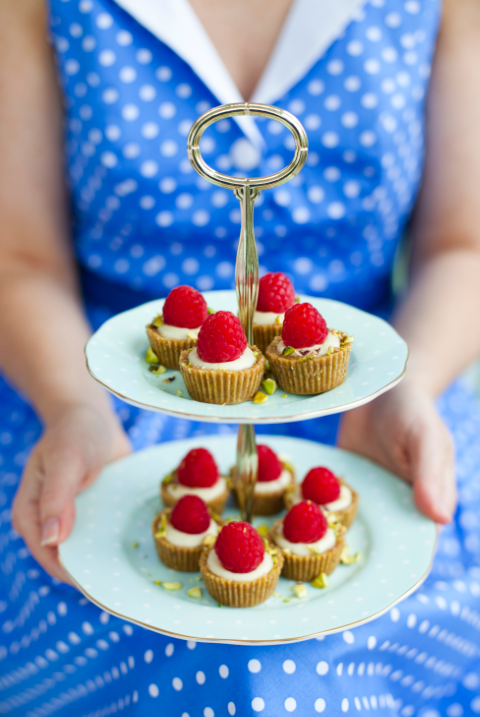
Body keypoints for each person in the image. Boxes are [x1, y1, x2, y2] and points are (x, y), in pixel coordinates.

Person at [1, 0, 480, 714]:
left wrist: (403, 390)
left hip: (379, 397)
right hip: (93, 387)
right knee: (138, 627)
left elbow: (462, 245)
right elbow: (20, 257)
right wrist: (73, 404)